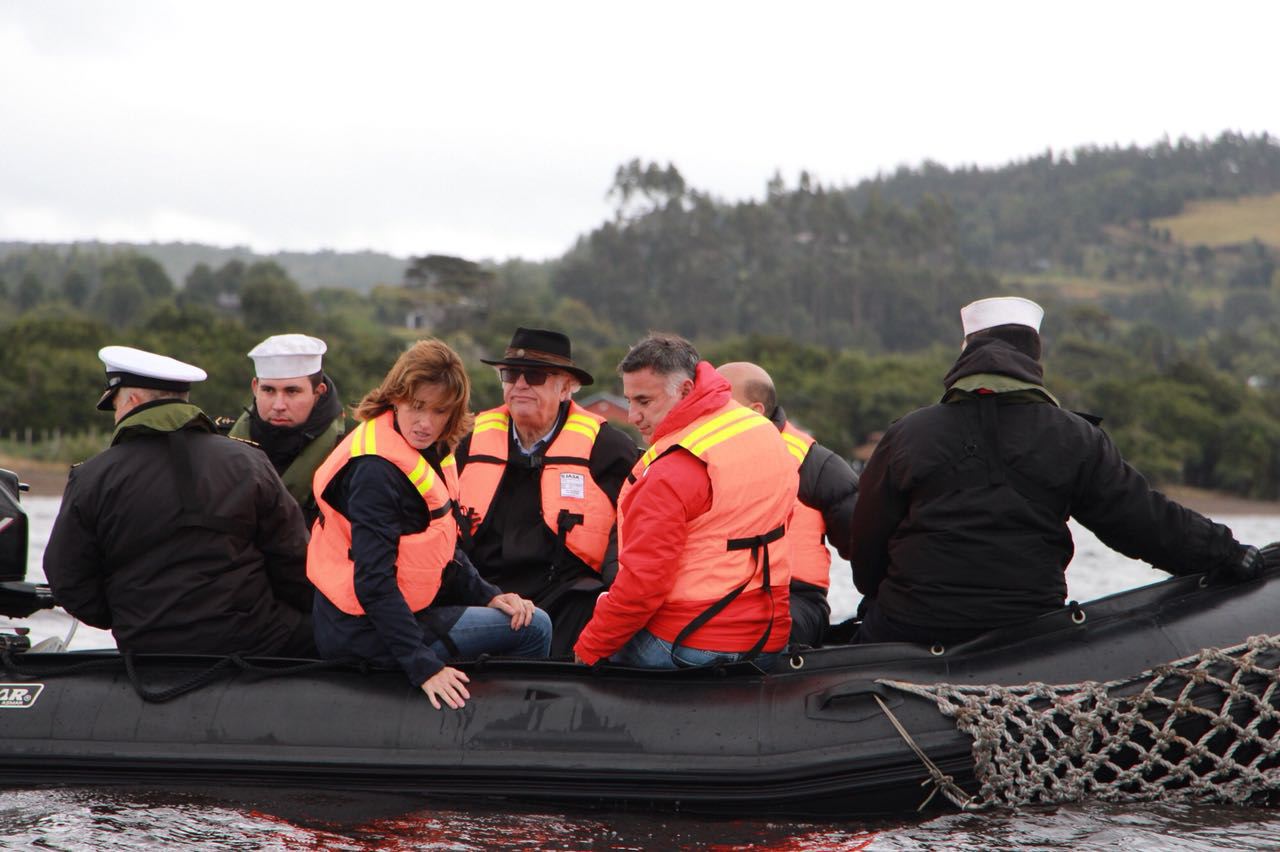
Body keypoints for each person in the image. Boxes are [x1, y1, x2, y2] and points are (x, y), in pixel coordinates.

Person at [849, 296, 1269, 646]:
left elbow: (866, 544)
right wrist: (1227, 552)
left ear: (966, 355)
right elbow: (1145, 524)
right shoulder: (1075, 437)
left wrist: (880, 597)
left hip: (909, 626)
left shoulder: (907, 434)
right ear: (1033, 357)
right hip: (1030, 632)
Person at [309, 339, 552, 709]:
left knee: (523, 612)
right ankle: (513, 728)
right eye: (416, 407)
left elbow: (440, 544)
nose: (425, 424)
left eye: (439, 411)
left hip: (402, 612)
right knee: (537, 629)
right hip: (361, 632)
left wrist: (488, 594)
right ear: (395, 398)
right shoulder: (375, 472)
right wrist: (424, 667)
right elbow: (373, 583)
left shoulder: (428, 449)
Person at [44, 346, 316, 656]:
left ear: (131, 401)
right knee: (335, 638)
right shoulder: (248, 462)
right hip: (253, 639)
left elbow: (67, 579)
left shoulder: (91, 477)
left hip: (144, 644)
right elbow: (295, 560)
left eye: (115, 405)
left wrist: (124, 616)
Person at [573, 334, 797, 669]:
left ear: (687, 390)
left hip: (690, 643)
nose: (633, 415)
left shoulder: (671, 471)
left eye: (645, 401)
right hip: (770, 637)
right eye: (629, 401)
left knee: (590, 638)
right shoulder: (764, 432)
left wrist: (587, 650)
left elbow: (642, 588)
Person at [455, 327, 638, 657]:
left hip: (564, 598)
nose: (521, 384)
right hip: (483, 592)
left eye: (536, 375)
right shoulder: (465, 440)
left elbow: (629, 531)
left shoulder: (609, 448)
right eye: (511, 374)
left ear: (566, 387)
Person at [719, 361, 858, 647]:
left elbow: (865, 543)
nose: (707, 411)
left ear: (755, 411)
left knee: (751, 632)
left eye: (720, 403)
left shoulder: (815, 465)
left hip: (795, 599)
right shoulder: (698, 454)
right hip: (717, 594)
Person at [227, 333, 344, 527]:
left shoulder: (345, 455)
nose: (279, 405)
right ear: (255, 388)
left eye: (292, 391)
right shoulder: (221, 440)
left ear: (318, 392)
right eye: (269, 390)